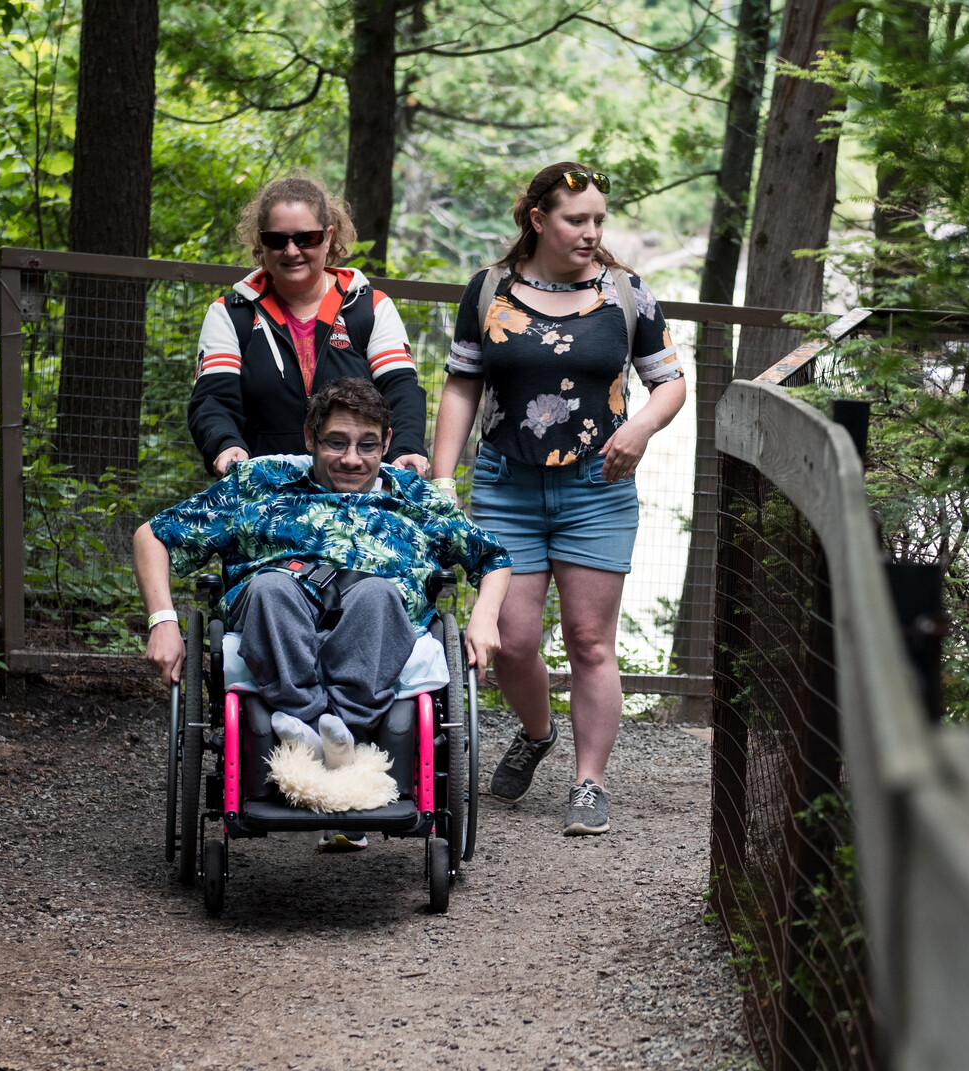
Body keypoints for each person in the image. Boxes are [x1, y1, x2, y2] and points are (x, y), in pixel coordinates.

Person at [428, 162, 687, 837]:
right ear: (538, 220)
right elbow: (461, 384)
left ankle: (589, 782)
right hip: (506, 485)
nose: (592, 232)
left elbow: (670, 383)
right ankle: (539, 732)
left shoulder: (627, 292)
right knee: (512, 641)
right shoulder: (488, 289)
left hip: (596, 489)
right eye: (577, 220)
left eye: (600, 220)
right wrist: (440, 477)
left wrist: (640, 425)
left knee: (590, 641)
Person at [137, 377, 509, 793]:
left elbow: (493, 556)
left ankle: (341, 731)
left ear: (387, 442)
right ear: (310, 437)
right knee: (270, 590)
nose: (352, 459)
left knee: (377, 594)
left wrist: (486, 617)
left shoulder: (415, 497)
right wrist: (163, 621)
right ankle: (308, 722)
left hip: (376, 616)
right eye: (336, 443)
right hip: (277, 607)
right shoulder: (257, 484)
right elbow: (152, 536)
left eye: (367, 445)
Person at [188, 175, 430, 478]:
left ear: (328, 237)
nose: (291, 251)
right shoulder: (229, 314)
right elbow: (213, 400)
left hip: (355, 489)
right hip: (263, 488)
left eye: (307, 238)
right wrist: (225, 445)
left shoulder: (370, 308)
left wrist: (405, 447)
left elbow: (400, 389)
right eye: (277, 240)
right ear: (260, 242)